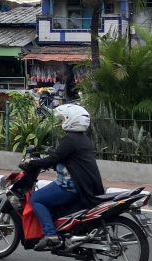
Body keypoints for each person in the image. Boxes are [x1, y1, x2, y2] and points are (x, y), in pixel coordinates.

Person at [26, 103, 105, 250]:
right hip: (84, 186)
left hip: (70, 186)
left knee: (36, 199)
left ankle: (51, 235)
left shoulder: (70, 139)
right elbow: (65, 159)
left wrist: (32, 163)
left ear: (72, 120)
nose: (62, 122)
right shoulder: (83, 139)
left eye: (64, 119)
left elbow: (53, 159)